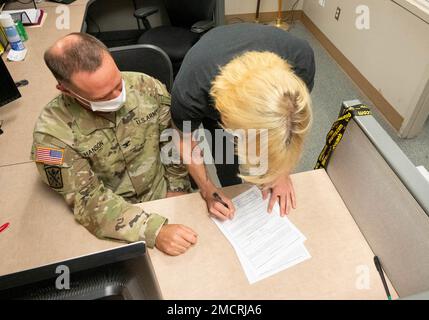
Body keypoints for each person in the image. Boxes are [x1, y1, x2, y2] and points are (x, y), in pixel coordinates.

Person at [30, 33, 197, 256]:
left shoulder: (146, 86)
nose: (119, 95)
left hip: (166, 194)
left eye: (118, 83)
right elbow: (88, 200)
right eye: (103, 95)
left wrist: (177, 189)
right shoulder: (51, 139)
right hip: (115, 219)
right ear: (66, 90)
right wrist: (154, 231)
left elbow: (172, 142)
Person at [171, 23, 315, 220]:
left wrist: (281, 172)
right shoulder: (190, 89)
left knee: (272, 147)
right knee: (225, 157)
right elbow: (186, 142)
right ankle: (228, 183)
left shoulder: (301, 59)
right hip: (211, 82)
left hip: (257, 63)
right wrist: (207, 189)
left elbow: (292, 129)